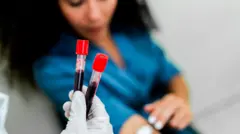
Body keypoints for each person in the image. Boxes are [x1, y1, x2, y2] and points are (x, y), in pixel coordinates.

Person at [0, 0, 199, 134]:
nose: (94, 15)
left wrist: (180, 102)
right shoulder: (53, 68)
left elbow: (172, 74)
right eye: (76, 1)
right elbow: (132, 128)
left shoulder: (129, 29)